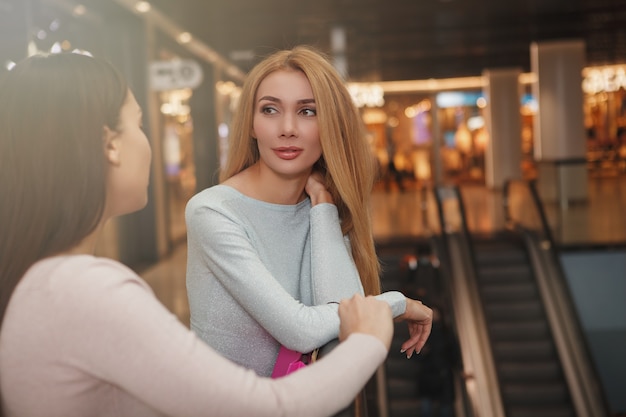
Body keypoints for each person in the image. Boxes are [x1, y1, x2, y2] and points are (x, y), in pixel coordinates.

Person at [0, 52, 397, 417]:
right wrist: (375, 329)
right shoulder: (86, 289)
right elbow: (273, 406)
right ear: (110, 146)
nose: (148, 141)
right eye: (139, 124)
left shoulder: (49, 281)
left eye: (307, 111)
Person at [185, 45, 433, 378]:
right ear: (252, 124)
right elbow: (300, 330)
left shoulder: (321, 210)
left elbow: (346, 317)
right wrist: (398, 304)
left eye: (307, 111)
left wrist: (323, 205)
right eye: (270, 110)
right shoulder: (212, 212)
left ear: (331, 126)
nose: (287, 128)